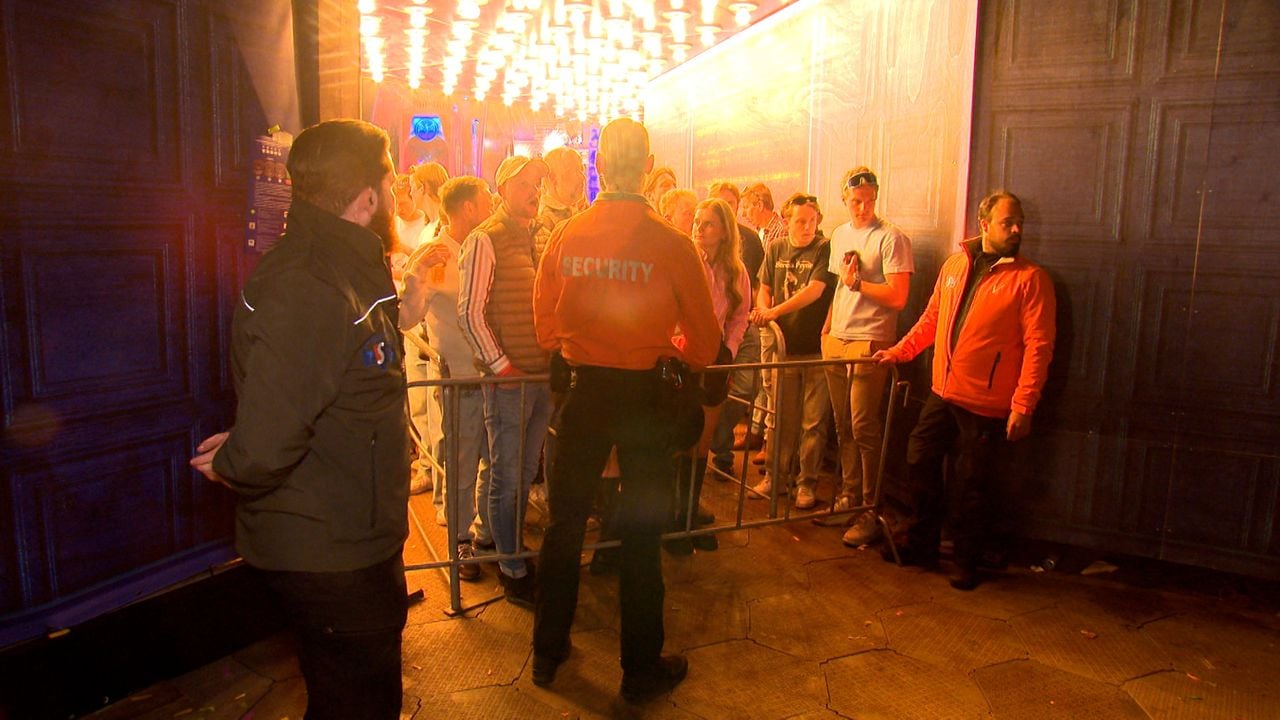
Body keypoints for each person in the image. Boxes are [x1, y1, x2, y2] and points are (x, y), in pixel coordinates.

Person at [188, 119, 408, 719]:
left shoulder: (340, 266)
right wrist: (240, 456)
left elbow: (314, 387)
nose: (395, 196)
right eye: (390, 183)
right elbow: (270, 437)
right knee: (356, 704)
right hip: (330, 546)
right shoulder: (312, 281)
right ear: (367, 197)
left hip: (347, 529)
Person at [531, 118, 720, 704]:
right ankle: (639, 668)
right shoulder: (672, 242)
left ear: (599, 165)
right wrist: (667, 350)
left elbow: (543, 324)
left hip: (585, 393)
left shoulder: (569, 235)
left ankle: (548, 650)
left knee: (564, 526)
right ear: (647, 163)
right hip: (643, 397)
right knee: (641, 532)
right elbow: (707, 344)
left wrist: (581, 343)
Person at [873, 191, 1056, 590]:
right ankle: (922, 543)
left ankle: (965, 560)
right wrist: (901, 352)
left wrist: (1023, 404)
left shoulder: (1030, 279)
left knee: (973, 485)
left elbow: (1039, 347)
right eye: (1008, 222)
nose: (1016, 230)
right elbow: (932, 319)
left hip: (988, 403)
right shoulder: (956, 265)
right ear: (984, 224)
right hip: (944, 390)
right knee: (919, 458)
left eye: (1019, 222)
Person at [458, 155, 554, 607]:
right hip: (512, 379)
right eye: (525, 184)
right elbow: (470, 312)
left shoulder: (532, 238)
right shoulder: (485, 238)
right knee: (509, 476)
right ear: (502, 188)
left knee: (516, 469)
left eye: (538, 184)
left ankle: (502, 546)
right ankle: (512, 566)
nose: (534, 191)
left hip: (538, 376)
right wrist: (501, 366)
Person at [400, 176, 495, 582]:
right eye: (486, 200)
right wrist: (416, 274)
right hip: (459, 378)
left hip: (496, 375)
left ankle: (488, 534)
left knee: (494, 460)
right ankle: (459, 540)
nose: (491, 207)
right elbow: (410, 314)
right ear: (468, 208)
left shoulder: (488, 247)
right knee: (460, 461)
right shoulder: (434, 254)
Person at [822, 168, 913, 547]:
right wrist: (826, 330)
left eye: (870, 200)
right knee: (842, 424)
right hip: (838, 338)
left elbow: (898, 297)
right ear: (845, 199)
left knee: (863, 426)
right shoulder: (841, 234)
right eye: (856, 200)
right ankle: (848, 494)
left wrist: (859, 284)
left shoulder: (891, 238)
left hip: (869, 339)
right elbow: (838, 289)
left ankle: (869, 505)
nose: (863, 207)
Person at [666, 197, 750, 555]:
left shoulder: (736, 271)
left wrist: (728, 349)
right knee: (677, 434)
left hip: (715, 358)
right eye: (698, 221)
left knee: (701, 440)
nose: (699, 228)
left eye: (709, 223)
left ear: (724, 231)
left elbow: (741, 315)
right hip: (683, 354)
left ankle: (687, 517)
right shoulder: (686, 262)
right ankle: (671, 519)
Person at [748, 193, 837, 510]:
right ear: (787, 222)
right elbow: (765, 289)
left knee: (813, 422)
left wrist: (774, 312)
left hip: (813, 348)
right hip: (783, 348)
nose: (807, 227)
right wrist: (763, 310)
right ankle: (776, 477)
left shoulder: (824, 249)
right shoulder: (776, 248)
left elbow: (816, 290)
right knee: (779, 419)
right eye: (800, 221)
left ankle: (806, 483)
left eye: (812, 221)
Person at [706, 181, 765, 474]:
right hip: (704, 339)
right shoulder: (692, 257)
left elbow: (749, 294)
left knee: (743, 387)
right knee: (705, 399)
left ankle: (718, 441)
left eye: (730, 203)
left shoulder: (748, 245)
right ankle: (718, 451)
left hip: (738, 329)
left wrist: (729, 346)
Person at [533, 146, 587, 258]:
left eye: (581, 170)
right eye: (573, 172)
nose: (582, 178)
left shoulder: (579, 211)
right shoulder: (544, 223)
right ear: (553, 178)